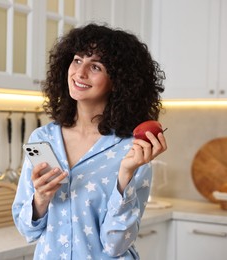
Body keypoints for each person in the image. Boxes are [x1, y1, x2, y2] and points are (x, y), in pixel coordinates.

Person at [12, 23, 167, 259]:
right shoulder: (42, 139)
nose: (80, 72)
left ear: (118, 80)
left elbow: (116, 245)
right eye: (77, 60)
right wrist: (40, 199)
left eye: (95, 66)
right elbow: (27, 230)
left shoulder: (132, 149)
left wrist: (125, 176)